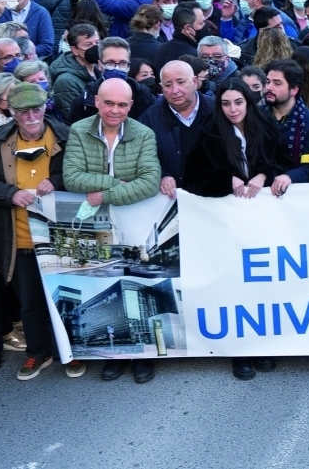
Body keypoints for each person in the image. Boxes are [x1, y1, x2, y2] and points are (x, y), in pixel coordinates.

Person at [180, 77, 290, 380]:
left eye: (238, 102)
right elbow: (191, 179)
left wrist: (264, 175)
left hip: (263, 221)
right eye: (226, 103)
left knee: (263, 286)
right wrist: (224, 180)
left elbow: (283, 163)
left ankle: (263, 345)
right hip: (225, 225)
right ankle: (239, 351)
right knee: (233, 289)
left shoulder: (264, 126)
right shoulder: (209, 133)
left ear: (248, 102)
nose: (232, 109)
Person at [0, 82, 86, 381]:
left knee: (67, 296)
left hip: (61, 236)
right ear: (11, 112)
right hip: (21, 236)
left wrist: (59, 181)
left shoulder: (67, 135)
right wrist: (10, 193)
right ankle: (38, 352)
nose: (31, 117)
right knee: (30, 300)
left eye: (36, 109)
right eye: (23, 112)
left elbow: (84, 175)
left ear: (45, 107)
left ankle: (72, 352)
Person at [63, 79, 162, 384]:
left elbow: (149, 181)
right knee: (103, 281)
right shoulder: (80, 130)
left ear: (131, 106)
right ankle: (117, 354)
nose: (115, 110)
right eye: (109, 103)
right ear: (96, 101)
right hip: (96, 225)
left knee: (136, 283)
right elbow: (72, 177)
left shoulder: (143, 133)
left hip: (133, 222)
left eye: (122, 105)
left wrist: (103, 194)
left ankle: (144, 357)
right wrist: (115, 183)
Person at [140, 60, 214, 200]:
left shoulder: (217, 111)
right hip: (171, 201)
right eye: (168, 85)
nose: (175, 90)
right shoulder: (149, 118)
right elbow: (141, 157)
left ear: (194, 82)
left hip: (214, 198)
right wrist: (161, 175)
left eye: (181, 82)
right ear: (161, 87)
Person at [262, 59, 309, 184]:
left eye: (277, 83)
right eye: (267, 82)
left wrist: (290, 176)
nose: (269, 87)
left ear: (294, 90)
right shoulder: (256, 115)